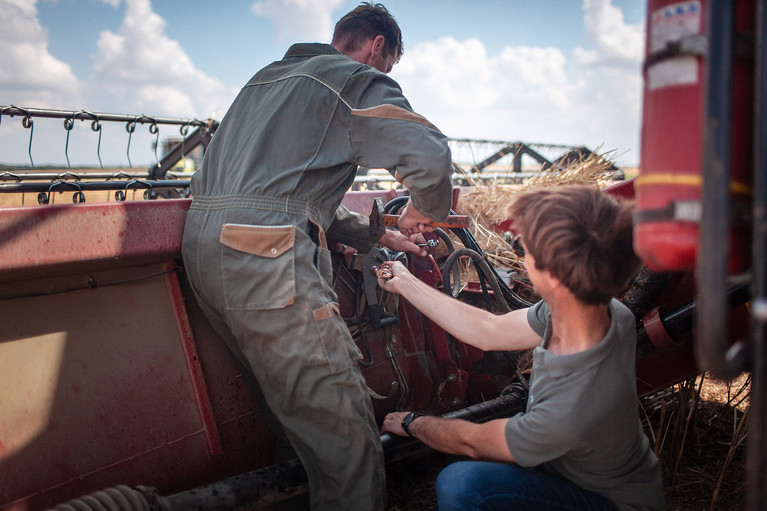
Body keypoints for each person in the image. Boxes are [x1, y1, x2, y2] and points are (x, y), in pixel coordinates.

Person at [181, 3, 454, 510]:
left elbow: (280, 197)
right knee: (343, 428)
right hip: (264, 259)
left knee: (291, 411)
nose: (385, 74)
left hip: (203, 252)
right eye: (389, 65)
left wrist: (380, 236)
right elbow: (431, 156)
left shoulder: (265, 80)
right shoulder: (350, 79)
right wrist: (422, 209)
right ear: (377, 46)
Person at [379, 185, 665, 511]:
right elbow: (488, 330)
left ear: (554, 278)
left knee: (461, 484)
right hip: (588, 475)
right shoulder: (602, 309)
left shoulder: (567, 413)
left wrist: (413, 423)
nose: (521, 257)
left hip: (609, 503)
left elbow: (471, 442)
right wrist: (404, 281)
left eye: (525, 250)